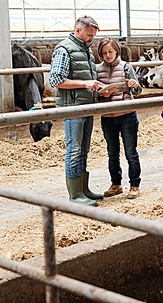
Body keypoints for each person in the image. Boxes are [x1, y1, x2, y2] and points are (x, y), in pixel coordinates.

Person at [49, 15, 105, 207]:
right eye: (89, 35)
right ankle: (74, 196)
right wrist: (85, 83)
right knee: (74, 149)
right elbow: (56, 80)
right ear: (77, 31)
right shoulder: (64, 49)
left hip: (86, 104)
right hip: (72, 107)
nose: (92, 40)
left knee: (84, 149)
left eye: (94, 36)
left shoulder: (87, 51)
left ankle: (83, 189)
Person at [97, 37, 142, 199]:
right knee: (112, 153)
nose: (107, 55)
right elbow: (94, 96)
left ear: (116, 50)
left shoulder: (126, 67)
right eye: (104, 53)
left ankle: (134, 185)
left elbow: (138, 91)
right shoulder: (97, 70)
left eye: (110, 51)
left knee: (131, 152)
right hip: (107, 116)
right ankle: (116, 184)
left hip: (127, 115)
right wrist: (101, 94)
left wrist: (135, 86)